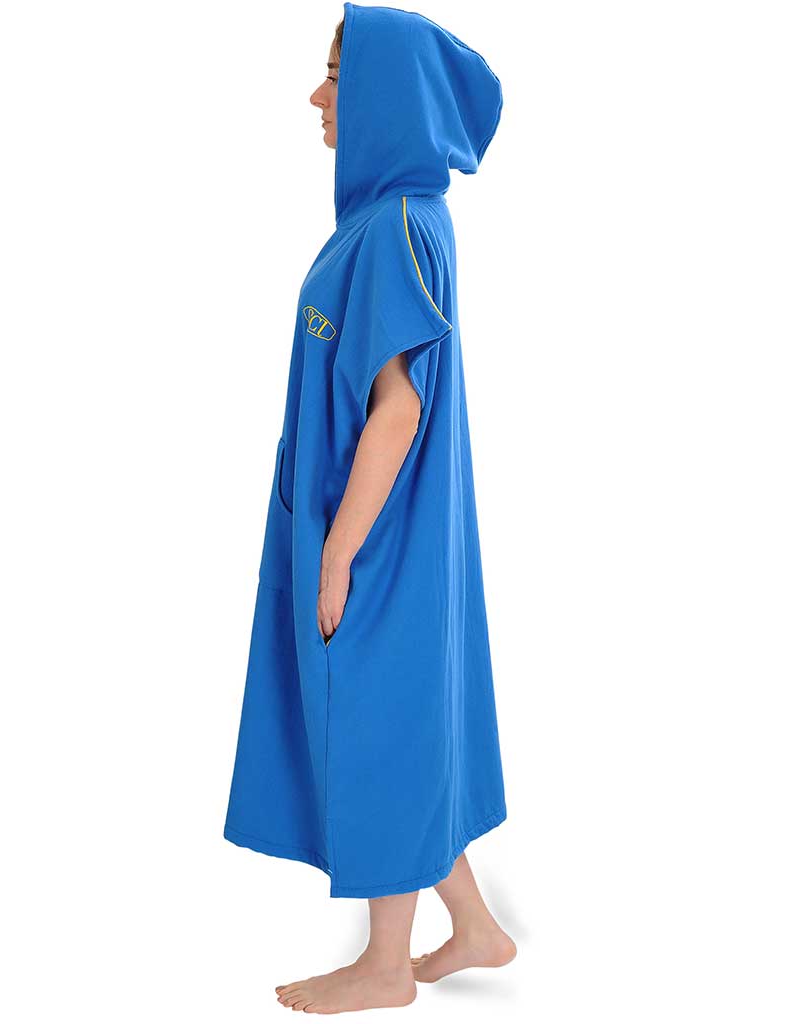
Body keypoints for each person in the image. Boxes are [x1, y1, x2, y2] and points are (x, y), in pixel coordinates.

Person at [223, 3, 515, 1013]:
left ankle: (387, 966)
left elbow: (397, 409)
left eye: (338, 79)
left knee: (375, 726)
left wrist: (339, 552)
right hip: (396, 531)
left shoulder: (391, 229)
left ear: (386, 96)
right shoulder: (406, 215)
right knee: (408, 722)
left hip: (377, 535)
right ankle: (474, 927)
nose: (318, 97)